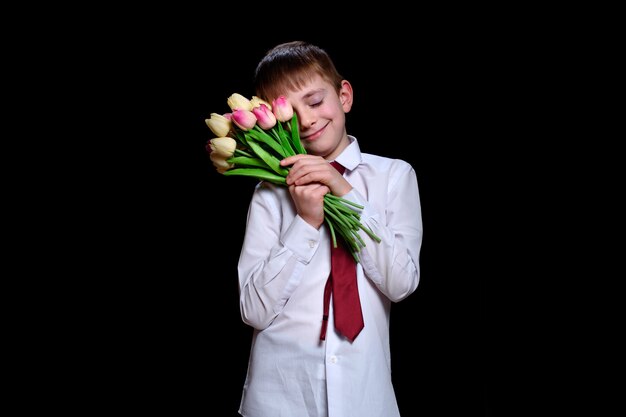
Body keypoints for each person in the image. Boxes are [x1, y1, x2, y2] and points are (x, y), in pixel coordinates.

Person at [236, 40, 423, 417]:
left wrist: (344, 191)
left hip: (365, 396)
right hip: (278, 397)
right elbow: (253, 311)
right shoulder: (270, 194)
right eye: (289, 113)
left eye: (316, 101)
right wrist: (305, 221)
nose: (306, 121)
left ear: (345, 96)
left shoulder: (394, 176)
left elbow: (401, 283)